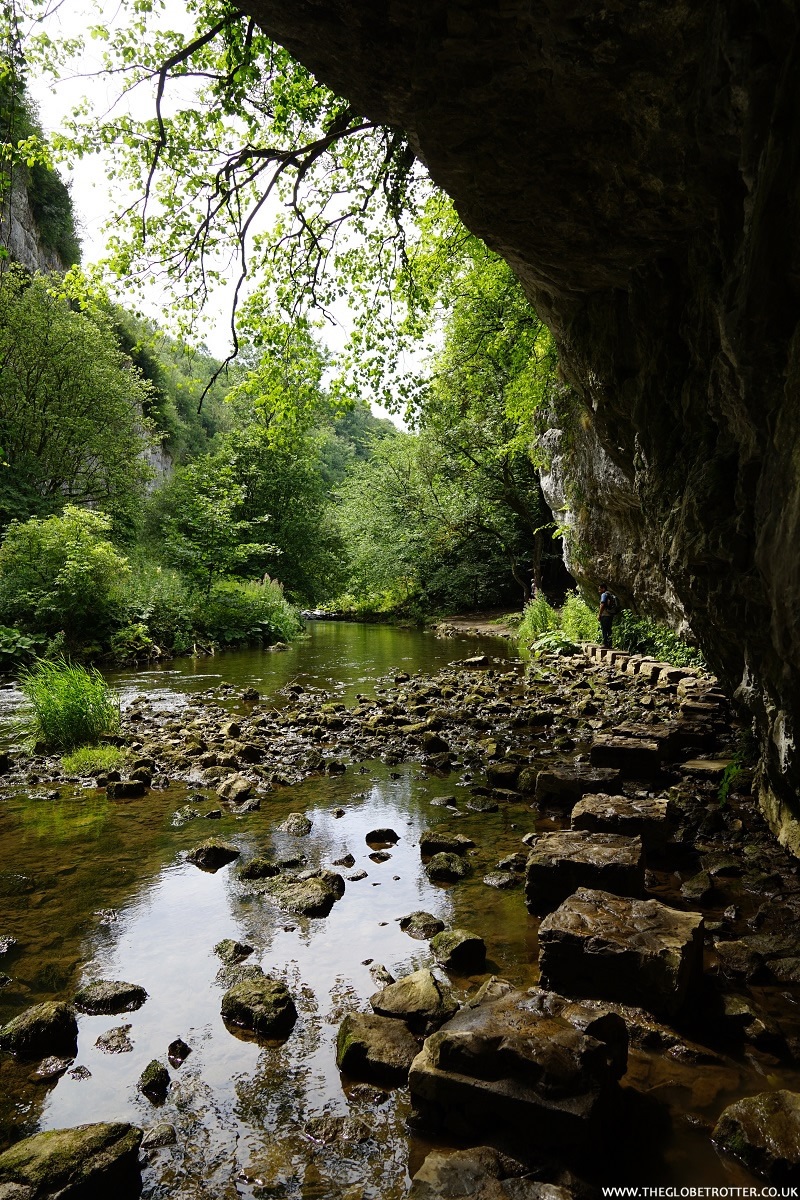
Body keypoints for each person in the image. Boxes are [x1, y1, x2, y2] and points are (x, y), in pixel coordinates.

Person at [598, 582, 614, 648]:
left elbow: (602, 604)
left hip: (605, 615)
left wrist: (599, 614)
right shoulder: (610, 594)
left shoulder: (604, 595)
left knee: (604, 629)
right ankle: (610, 644)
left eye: (600, 589)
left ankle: (605, 644)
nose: (599, 591)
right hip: (610, 615)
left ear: (603, 588)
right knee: (609, 629)